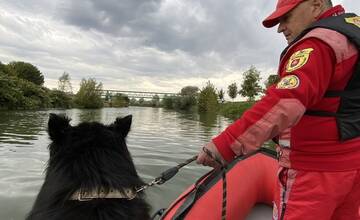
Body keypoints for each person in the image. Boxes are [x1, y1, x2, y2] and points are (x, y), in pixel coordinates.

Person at [197, 0, 360, 219]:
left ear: (316, 5)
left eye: (286, 18)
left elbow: (285, 101)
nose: (280, 27)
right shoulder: (352, 35)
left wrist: (225, 145)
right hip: (351, 169)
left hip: (311, 171)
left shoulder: (318, 43)